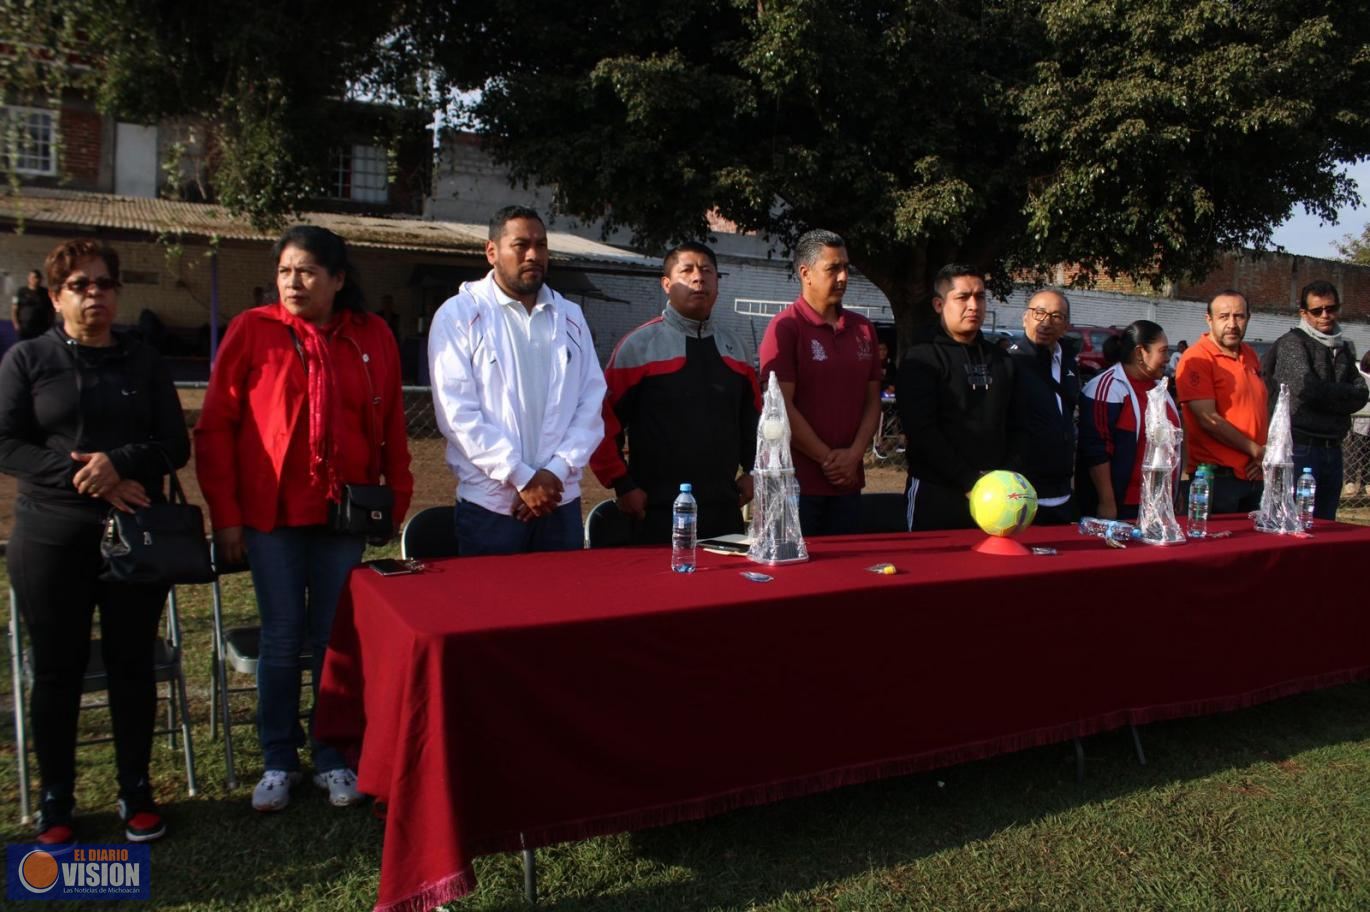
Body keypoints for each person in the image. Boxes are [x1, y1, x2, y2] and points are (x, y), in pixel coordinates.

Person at [195, 225, 413, 812]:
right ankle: (278, 759)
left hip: (343, 515)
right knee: (283, 635)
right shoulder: (252, 331)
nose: (293, 282)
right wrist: (227, 517)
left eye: (308, 271)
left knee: (333, 640)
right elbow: (215, 429)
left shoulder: (372, 336)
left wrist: (396, 498)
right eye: (285, 271)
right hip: (271, 517)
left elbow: (392, 421)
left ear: (338, 280)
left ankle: (333, 755)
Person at [0, 240, 188, 844]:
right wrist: (82, 475)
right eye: (79, 285)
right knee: (58, 669)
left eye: (104, 284)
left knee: (133, 664)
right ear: (56, 297)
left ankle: (136, 790)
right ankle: (57, 800)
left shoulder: (144, 360)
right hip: (51, 533)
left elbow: (175, 445)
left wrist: (120, 463)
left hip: (135, 534)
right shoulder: (28, 359)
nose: (94, 295)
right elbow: (7, 442)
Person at [428, 206, 606, 554]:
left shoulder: (569, 316)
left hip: (559, 500)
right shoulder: (460, 314)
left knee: (565, 592)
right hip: (492, 506)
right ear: (491, 251)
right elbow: (457, 414)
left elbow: (590, 402)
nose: (533, 255)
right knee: (493, 592)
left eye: (541, 245)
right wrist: (521, 477)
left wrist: (554, 473)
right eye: (521, 245)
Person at [590, 242, 759, 543]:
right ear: (667, 284)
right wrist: (622, 485)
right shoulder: (637, 347)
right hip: (654, 512)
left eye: (707, 271)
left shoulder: (737, 348)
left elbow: (754, 421)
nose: (698, 278)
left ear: (717, 283)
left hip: (724, 509)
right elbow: (600, 422)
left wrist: (754, 472)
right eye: (687, 270)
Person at [757, 229, 882, 536]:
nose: (843, 277)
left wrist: (853, 456)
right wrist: (828, 459)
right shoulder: (785, 328)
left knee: (848, 562)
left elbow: (872, 401)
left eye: (846, 268)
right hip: (797, 486)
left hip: (848, 482)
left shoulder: (863, 329)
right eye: (832, 268)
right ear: (806, 273)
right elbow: (780, 408)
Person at [898, 264, 1014, 530]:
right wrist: (968, 479)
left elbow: (1017, 423)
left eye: (980, 297)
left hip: (998, 494)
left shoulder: (1002, 360)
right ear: (939, 304)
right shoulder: (921, 358)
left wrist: (1004, 475)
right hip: (936, 492)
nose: (973, 306)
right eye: (962, 297)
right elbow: (922, 430)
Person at [1259, 281, 1368, 521]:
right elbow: (1307, 390)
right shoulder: (1293, 343)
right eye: (1317, 311)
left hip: (1334, 446)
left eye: (1331, 308)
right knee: (1296, 521)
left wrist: (1331, 396)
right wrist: (1343, 397)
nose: (1325, 315)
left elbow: (1361, 393)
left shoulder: (1342, 347)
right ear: (1304, 313)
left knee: (1326, 523)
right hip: (1301, 447)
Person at [1174, 289, 1268, 513]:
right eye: (1224, 317)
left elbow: (1259, 409)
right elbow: (1208, 420)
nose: (1232, 324)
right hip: (1216, 479)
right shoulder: (1197, 358)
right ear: (1209, 320)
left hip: (1254, 474)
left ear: (1248, 318)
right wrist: (1257, 451)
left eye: (1239, 316)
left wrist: (1261, 454)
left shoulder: (1249, 354)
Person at [1077, 321, 1181, 520]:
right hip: (1122, 506)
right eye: (1163, 351)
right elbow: (1097, 451)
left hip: (1157, 504)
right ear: (1140, 353)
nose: (1168, 358)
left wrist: (1174, 492)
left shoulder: (1159, 388)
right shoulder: (1107, 388)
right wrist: (1107, 502)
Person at [1005, 290, 1080, 523]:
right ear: (1025, 317)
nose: (1046, 322)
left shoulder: (1068, 364)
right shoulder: (1008, 364)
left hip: (1062, 494)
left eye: (1056, 316)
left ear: (1066, 325)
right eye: (1039, 313)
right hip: (1021, 495)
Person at [1344, 351, 1370, 498]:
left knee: (1367, 456)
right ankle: (1350, 482)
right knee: (1355, 452)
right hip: (1359, 423)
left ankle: (1367, 483)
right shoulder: (1360, 378)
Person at [11, 268, 53, 340]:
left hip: (41, 327)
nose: (33, 279)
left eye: (36, 277)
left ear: (40, 279)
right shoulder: (21, 291)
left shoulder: (45, 293)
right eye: (31, 277)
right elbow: (14, 309)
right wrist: (16, 324)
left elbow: (51, 310)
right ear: (28, 278)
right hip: (24, 327)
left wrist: (50, 323)